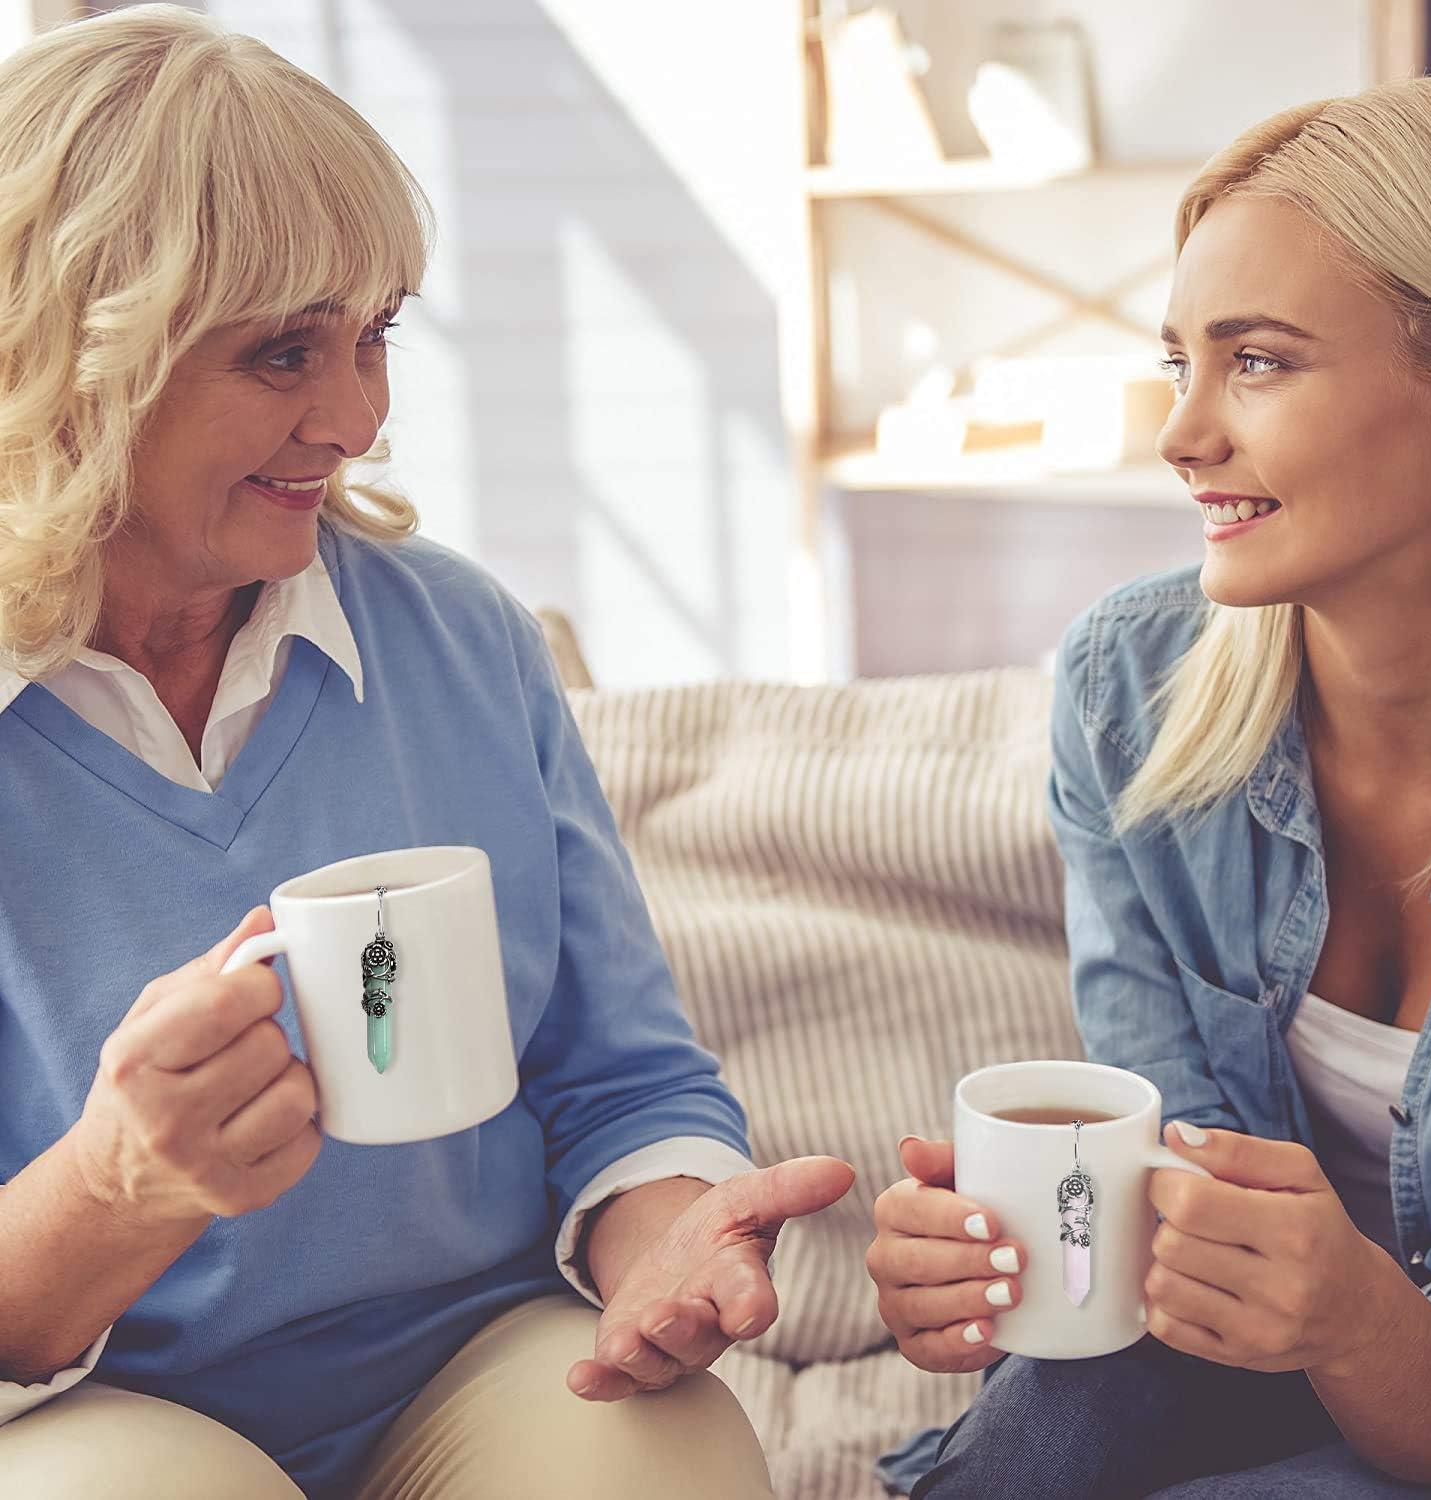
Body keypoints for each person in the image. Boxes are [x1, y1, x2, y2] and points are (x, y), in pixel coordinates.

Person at [0, 9, 853, 1498]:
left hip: (468, 1359)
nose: (359, 417)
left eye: (375, 334)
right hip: (81, 1410)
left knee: (657, 1460)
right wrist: (113, 1190)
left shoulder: (461, 641)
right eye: (284, 353)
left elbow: (624, 1081)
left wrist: (671, 1243)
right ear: (69, 353)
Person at [867, 74, 1431, 1498]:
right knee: (1052, 1418)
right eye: (1180, 363)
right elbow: (1161, 1219)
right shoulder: (1130, 688)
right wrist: (1016, 1263)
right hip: (1244, 1366)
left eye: (1259, 362)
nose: (1181, 433)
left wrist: (1344, 1311)